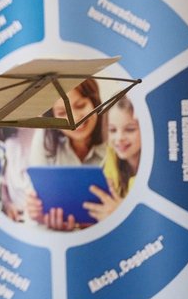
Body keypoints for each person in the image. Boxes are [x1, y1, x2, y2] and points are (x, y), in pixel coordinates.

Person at [24, 79, 109, 230]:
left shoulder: (115, 134)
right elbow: (35, 196)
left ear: (95, 103)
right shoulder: (45, 137)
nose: (74, 119)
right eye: (62, 113)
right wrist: (36, 210)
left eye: (80, 106)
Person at [84, 96, 141, 222]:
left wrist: (122, 214)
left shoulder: (160, 172)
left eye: (130, 129)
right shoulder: (109, 163)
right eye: (112, 130)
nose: (119, 137)